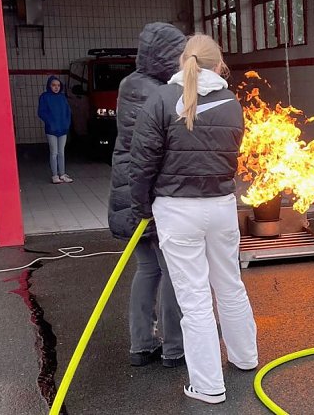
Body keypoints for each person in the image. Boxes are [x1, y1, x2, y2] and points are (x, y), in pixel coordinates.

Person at [129, 33, 257, 404]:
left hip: (177, 210)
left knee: (195, 300)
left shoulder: (162, 99)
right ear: (219, 65)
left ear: (183, 61)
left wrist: (143, 210)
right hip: (220, 207)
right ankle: (245, 357)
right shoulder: (232, 103)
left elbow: (142, 165)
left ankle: (207, 386)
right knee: (230, 284)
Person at [108, 22, 186, 368]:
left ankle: (142, 344)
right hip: (150, 196)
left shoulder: (130, 85)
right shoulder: (159, 93)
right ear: (166, 57)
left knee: (147, 268)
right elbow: (158, 151)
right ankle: (175, 347)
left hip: (127, 192)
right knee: (171, 270)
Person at [38, 75, 73, 184]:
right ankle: (54, 175)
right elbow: (41, 112)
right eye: (53, 85)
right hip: (51, 130)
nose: (56, 87)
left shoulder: (62, 97)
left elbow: (68, 112)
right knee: (54, 152)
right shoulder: (45, 97)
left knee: (61, 152)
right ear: (49, 86)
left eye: (58, 85)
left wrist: (67, 124)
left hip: (62, 129)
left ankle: (62, 174)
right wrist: (50, 123)